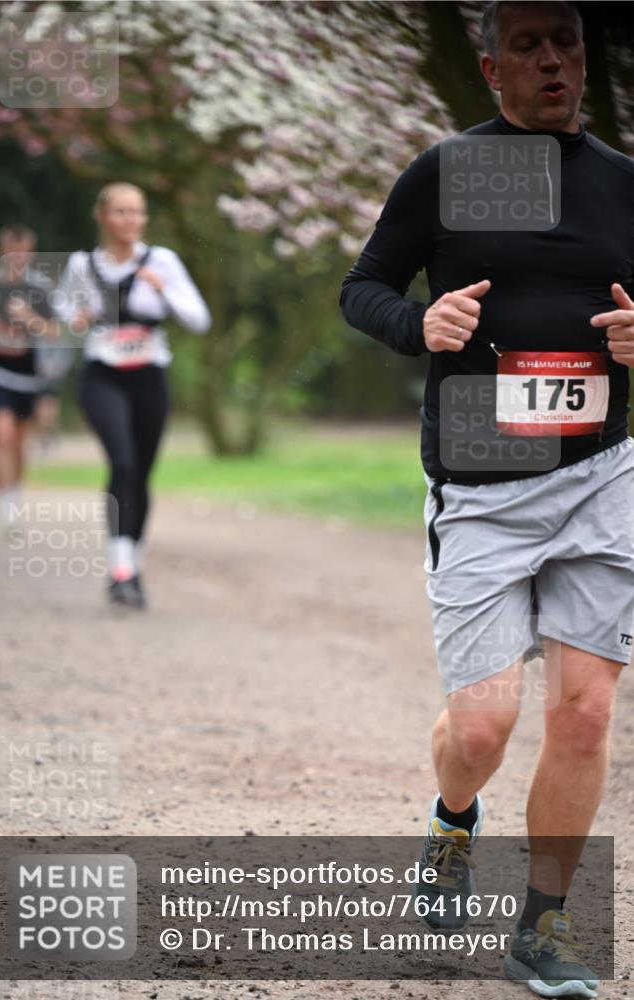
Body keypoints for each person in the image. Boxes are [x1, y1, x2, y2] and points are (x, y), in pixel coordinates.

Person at [340, 2, 633, 996]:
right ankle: (452, 820)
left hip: (601, 476)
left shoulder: (624, 185)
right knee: (482, 728)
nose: (552, 62)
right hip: (479, 482)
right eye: (529, 47)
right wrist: (419, 324)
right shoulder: (449, 172)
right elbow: (363, 286)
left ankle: (542, 926)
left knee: (586, 713)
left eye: (568, 44)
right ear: (490, 66)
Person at [58, 182, 211, 608]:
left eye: (137, 212)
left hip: (148, 375)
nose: (130, 219)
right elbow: (63, 307)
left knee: (140, 472)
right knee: (121, 462)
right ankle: (120, 570)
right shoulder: (82, 265)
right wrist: (78, 317)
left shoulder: (162, 261)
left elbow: (199, 319)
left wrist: (162, 290)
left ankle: (133, 564)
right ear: (102, 216)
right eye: (121, 211)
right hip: (102, 375)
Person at [0, 227, 58, 525]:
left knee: (18, 442)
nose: (17, 257)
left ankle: (13, 494)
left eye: (23, 252)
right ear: (0, 251)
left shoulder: (40, 288)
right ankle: (4, 504)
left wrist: (28, 318)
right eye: (11, 251)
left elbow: (56, 331)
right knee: (3, 434)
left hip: (27, 374)